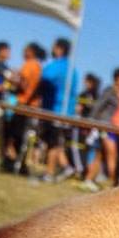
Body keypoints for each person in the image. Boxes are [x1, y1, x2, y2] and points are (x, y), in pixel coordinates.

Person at [38, 37, 79, 181]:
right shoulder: (72, 69)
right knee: (56, 141)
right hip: (66, 112)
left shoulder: (56, 66)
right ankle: (67, 167)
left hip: (55, 109)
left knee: (53, 142)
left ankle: (49, 173)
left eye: (54, 47)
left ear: (59, 49)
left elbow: (42, 79)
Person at [83, 67, 119, 189]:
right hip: (105, 127)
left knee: (100, 155)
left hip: (114, 128)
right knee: (111, 155)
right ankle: (115, 184)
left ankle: (89, 179)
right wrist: (90, 122)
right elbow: (98, 106)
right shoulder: (109, 91)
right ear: (117, 79)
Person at [5, 42, 44, 170]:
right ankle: (17, 163)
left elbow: (26, 85)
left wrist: (13, 79)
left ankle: (16, 163)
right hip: (26, 104)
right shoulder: (35, 65)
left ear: (31, 52)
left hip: (24, 105)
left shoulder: (31, 65)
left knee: (16, 135)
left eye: (25, 50)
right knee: (19, 136)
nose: (23, 53)